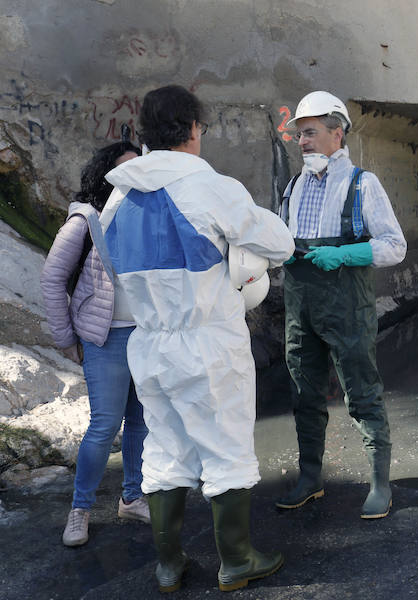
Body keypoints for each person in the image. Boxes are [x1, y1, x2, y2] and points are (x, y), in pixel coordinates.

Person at [100, 85, 294, 593]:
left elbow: (114, 268)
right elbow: (278, 242)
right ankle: (238, 561)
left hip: (150, 343)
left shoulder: (117, 197)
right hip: (207, 341)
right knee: (225, 446)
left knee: (165, 450)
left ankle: (169, 564)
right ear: (192, 129)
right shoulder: (210, 188)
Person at [275, 91, 407, 519]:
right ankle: (310, 479)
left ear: (338, 133)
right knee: (304, 393)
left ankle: (380, 484)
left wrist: (345, 254)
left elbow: (394, 246)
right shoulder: (293, 186)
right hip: (301, 309)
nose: (303, 141)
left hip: (347, 305)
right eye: (299, 134)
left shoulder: (362, 184)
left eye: (310, 132)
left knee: (362, 394)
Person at [41, 140, 147, 548]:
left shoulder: (144, 217)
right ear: (105, 176)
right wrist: (65, 338)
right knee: (105, 425)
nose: (131, 179)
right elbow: (52, 279)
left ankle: (132, 497)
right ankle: (80, 509)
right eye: (123, 171)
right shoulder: (85, 221)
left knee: (141, 421)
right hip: (106, 339)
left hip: (147, 336)